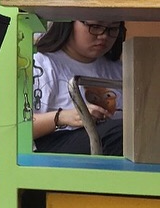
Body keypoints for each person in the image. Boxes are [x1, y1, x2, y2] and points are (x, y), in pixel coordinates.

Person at [32, 19, 124, 155]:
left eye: (113, 29)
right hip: (58, 144)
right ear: (68, 23)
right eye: (95, 26)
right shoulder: (42, 65)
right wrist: (62, 117)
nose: (103, 35)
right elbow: (17, 127)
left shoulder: (119, 69)